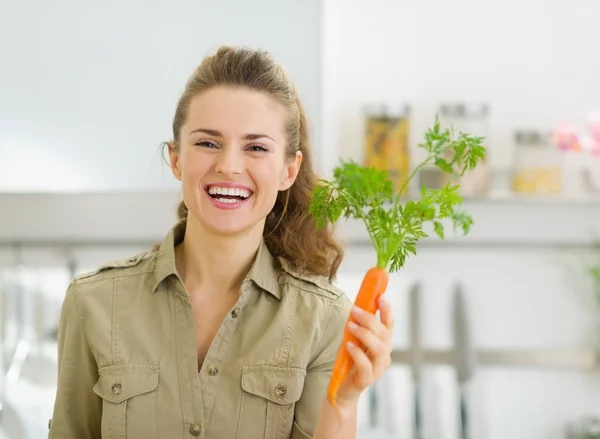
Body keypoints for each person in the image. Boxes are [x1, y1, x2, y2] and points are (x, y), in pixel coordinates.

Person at [48, 45, 394, 439]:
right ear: (176, 158)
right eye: (208, 143)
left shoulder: (325, 319)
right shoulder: (92, 302)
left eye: (256, 148)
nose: (229, 165)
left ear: (288, 170)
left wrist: (344, 402)